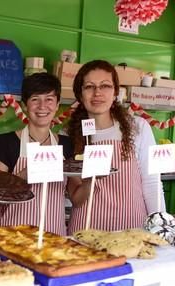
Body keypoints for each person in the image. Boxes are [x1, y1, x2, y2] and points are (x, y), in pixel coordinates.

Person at [66, 59, 165, 234]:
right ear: (80, 95)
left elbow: (151, 183)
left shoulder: (139, 127)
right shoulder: (69, 134)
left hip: (133, 228)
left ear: (115, 92)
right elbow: (74, 195)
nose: (97, 93)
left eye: (105, 86)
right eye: (89, 86)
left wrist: (161, 225)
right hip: (86, 229)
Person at [0, 72, 73, 234]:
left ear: (57, 104)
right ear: (24, 105)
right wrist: (27, 172)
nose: (42, 106)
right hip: (11, 236)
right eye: (35, 99)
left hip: (54, 236)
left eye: (49, 99)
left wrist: (93, 176)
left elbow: (76, 195)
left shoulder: (67, 145)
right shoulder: (5, 143)